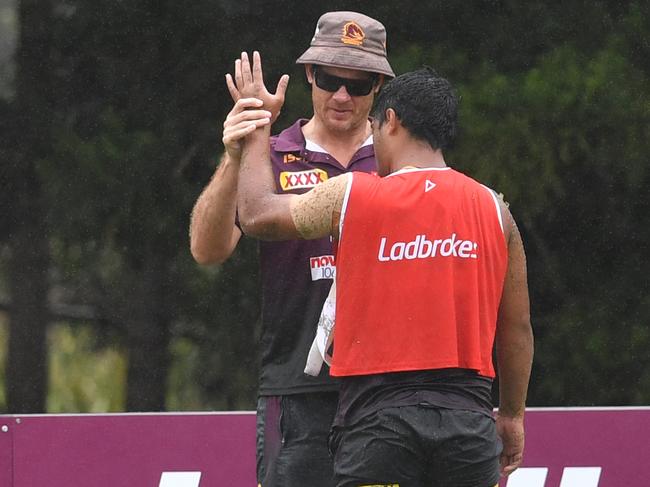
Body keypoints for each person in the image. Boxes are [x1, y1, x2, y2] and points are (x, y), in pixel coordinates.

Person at [235, 61, 534, 487]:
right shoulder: (494, 209)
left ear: (390, 121)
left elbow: (257, 214)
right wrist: (513, 415)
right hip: (467, 427)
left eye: (375, 129)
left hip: (379, 426)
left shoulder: (355, 193)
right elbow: (517, 328)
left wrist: (256, 130)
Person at [189, 11, 395, 487]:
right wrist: (238, 150)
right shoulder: (273, 152)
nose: (342, 95)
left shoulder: (397, 157)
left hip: (386, 386)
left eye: (358, 84)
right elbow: (207, 249)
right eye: (329, 79)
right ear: (309, 74)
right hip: (295, 387)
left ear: (379, 87)